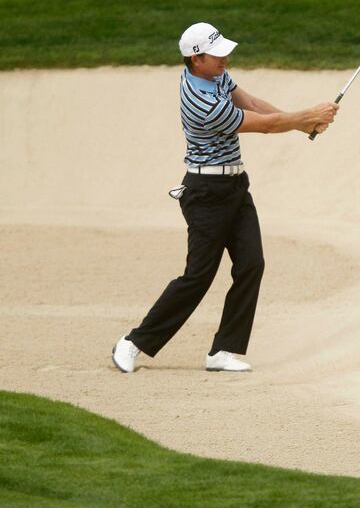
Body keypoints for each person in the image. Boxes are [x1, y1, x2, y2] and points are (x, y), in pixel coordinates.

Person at [112, 22, 338, 373]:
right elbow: (262, 125)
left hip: (235, 186)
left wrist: (300, 123)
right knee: (198, 276)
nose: (225, 57)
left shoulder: (216, 76)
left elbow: (251, 103)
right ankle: (134, 342)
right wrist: (306, 117)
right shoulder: (201, 101)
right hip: (205, 193)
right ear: (195, 59)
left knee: (251, 264)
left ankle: (223, 351)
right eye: (216, 54)